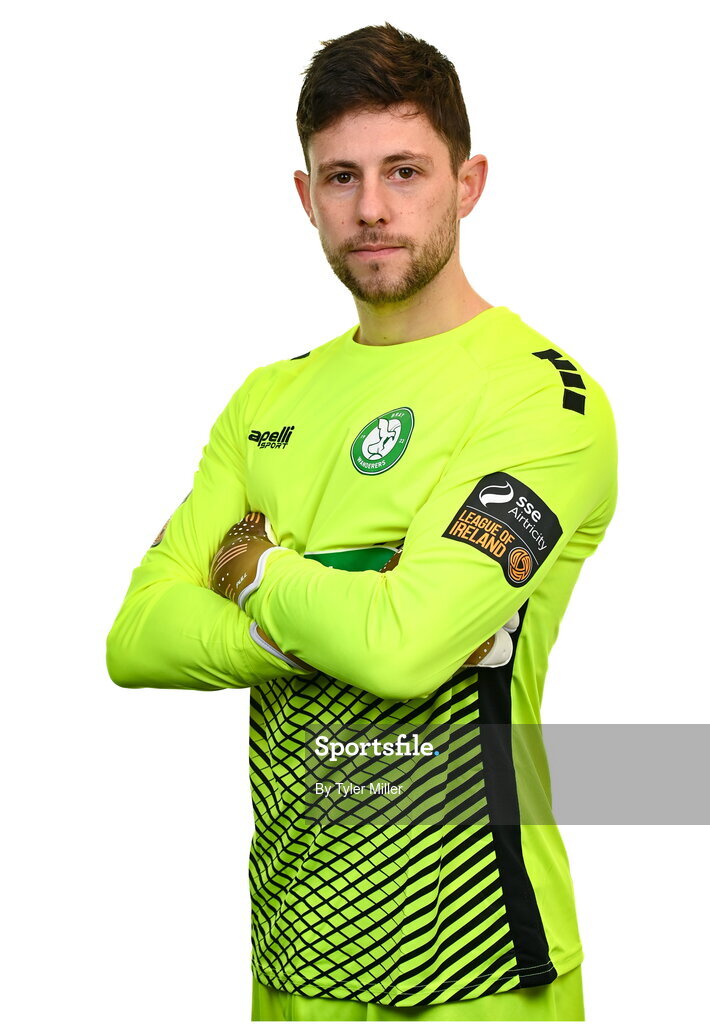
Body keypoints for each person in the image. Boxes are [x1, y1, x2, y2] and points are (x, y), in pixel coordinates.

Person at [106, 22, 617, 1022]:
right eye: (340, 177)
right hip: (295, 961)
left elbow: (400, 648)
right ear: (304, 197)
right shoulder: (265, 399)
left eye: (403, 171)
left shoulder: (540, 401)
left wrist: (256, 569)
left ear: (466, 183)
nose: (372, 208)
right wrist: (330, 606)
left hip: (476, 973)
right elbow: (135, 636)